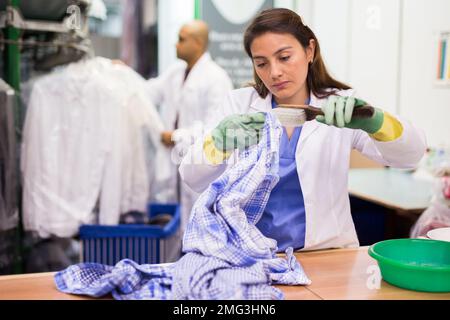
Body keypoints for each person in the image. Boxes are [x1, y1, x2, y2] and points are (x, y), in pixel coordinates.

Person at [179, 8, 427, 251]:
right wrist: (219, 143)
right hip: (255, 255)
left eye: (284, 57)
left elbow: (411, 156)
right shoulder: (239, 105)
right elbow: (192, 176)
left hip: (327, 253)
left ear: (310, 50)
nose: (274, 72)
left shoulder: (339, 105)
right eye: (261, 63)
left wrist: (376, 122)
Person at [146, 20, 233, 249]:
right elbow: (148, 93)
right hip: (175, 160)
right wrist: (124, 76)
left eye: (182, 39)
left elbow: (216, 128)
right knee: (176, 223)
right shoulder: (175, 73)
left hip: (200, 165)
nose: (176, 44)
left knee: (199, 222)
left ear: (198, 43)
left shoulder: (217, 78)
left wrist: (176, 136)